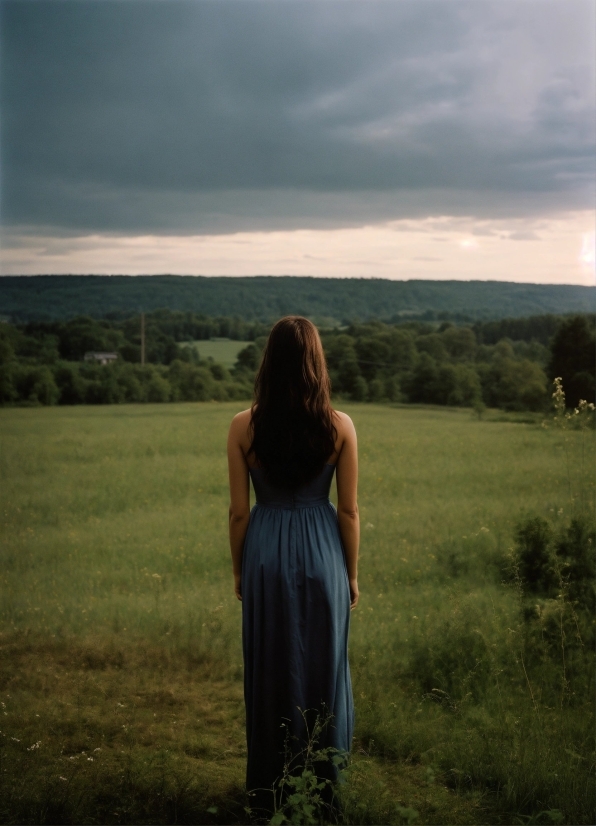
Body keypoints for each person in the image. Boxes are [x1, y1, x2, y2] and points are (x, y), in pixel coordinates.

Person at [227, 316, 359, 816]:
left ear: (268, 362)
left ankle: (271, 786)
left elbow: (239, 511)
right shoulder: (339, 425)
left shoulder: (244, 425)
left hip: (264, 551)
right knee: (325, 663)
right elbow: (348, 510)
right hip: (324, 551)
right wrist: (349, 573)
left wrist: (240, 570)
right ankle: (324, 788)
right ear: (315, 363)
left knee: (270, 663)